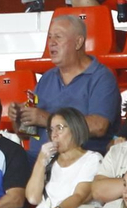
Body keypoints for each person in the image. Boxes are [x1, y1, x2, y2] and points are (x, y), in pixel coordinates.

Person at [13, 14, 119, 155]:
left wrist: (46, 118)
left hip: (79, 162)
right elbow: (26, 135)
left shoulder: (101, 77)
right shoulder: (47, 78)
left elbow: (99, 126)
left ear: (78, 43)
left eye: (58, 37)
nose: (51, 42)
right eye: (50, 37)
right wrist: (19, 118)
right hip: (39, 160)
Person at [15, 107, 103, 208]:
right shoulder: (49, 161)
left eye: (60, 128)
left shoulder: (92, 159)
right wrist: (41, 160)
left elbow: (80, 196)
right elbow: (32, 198)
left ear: (75, 129)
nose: (54, 135)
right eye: (51, 130)